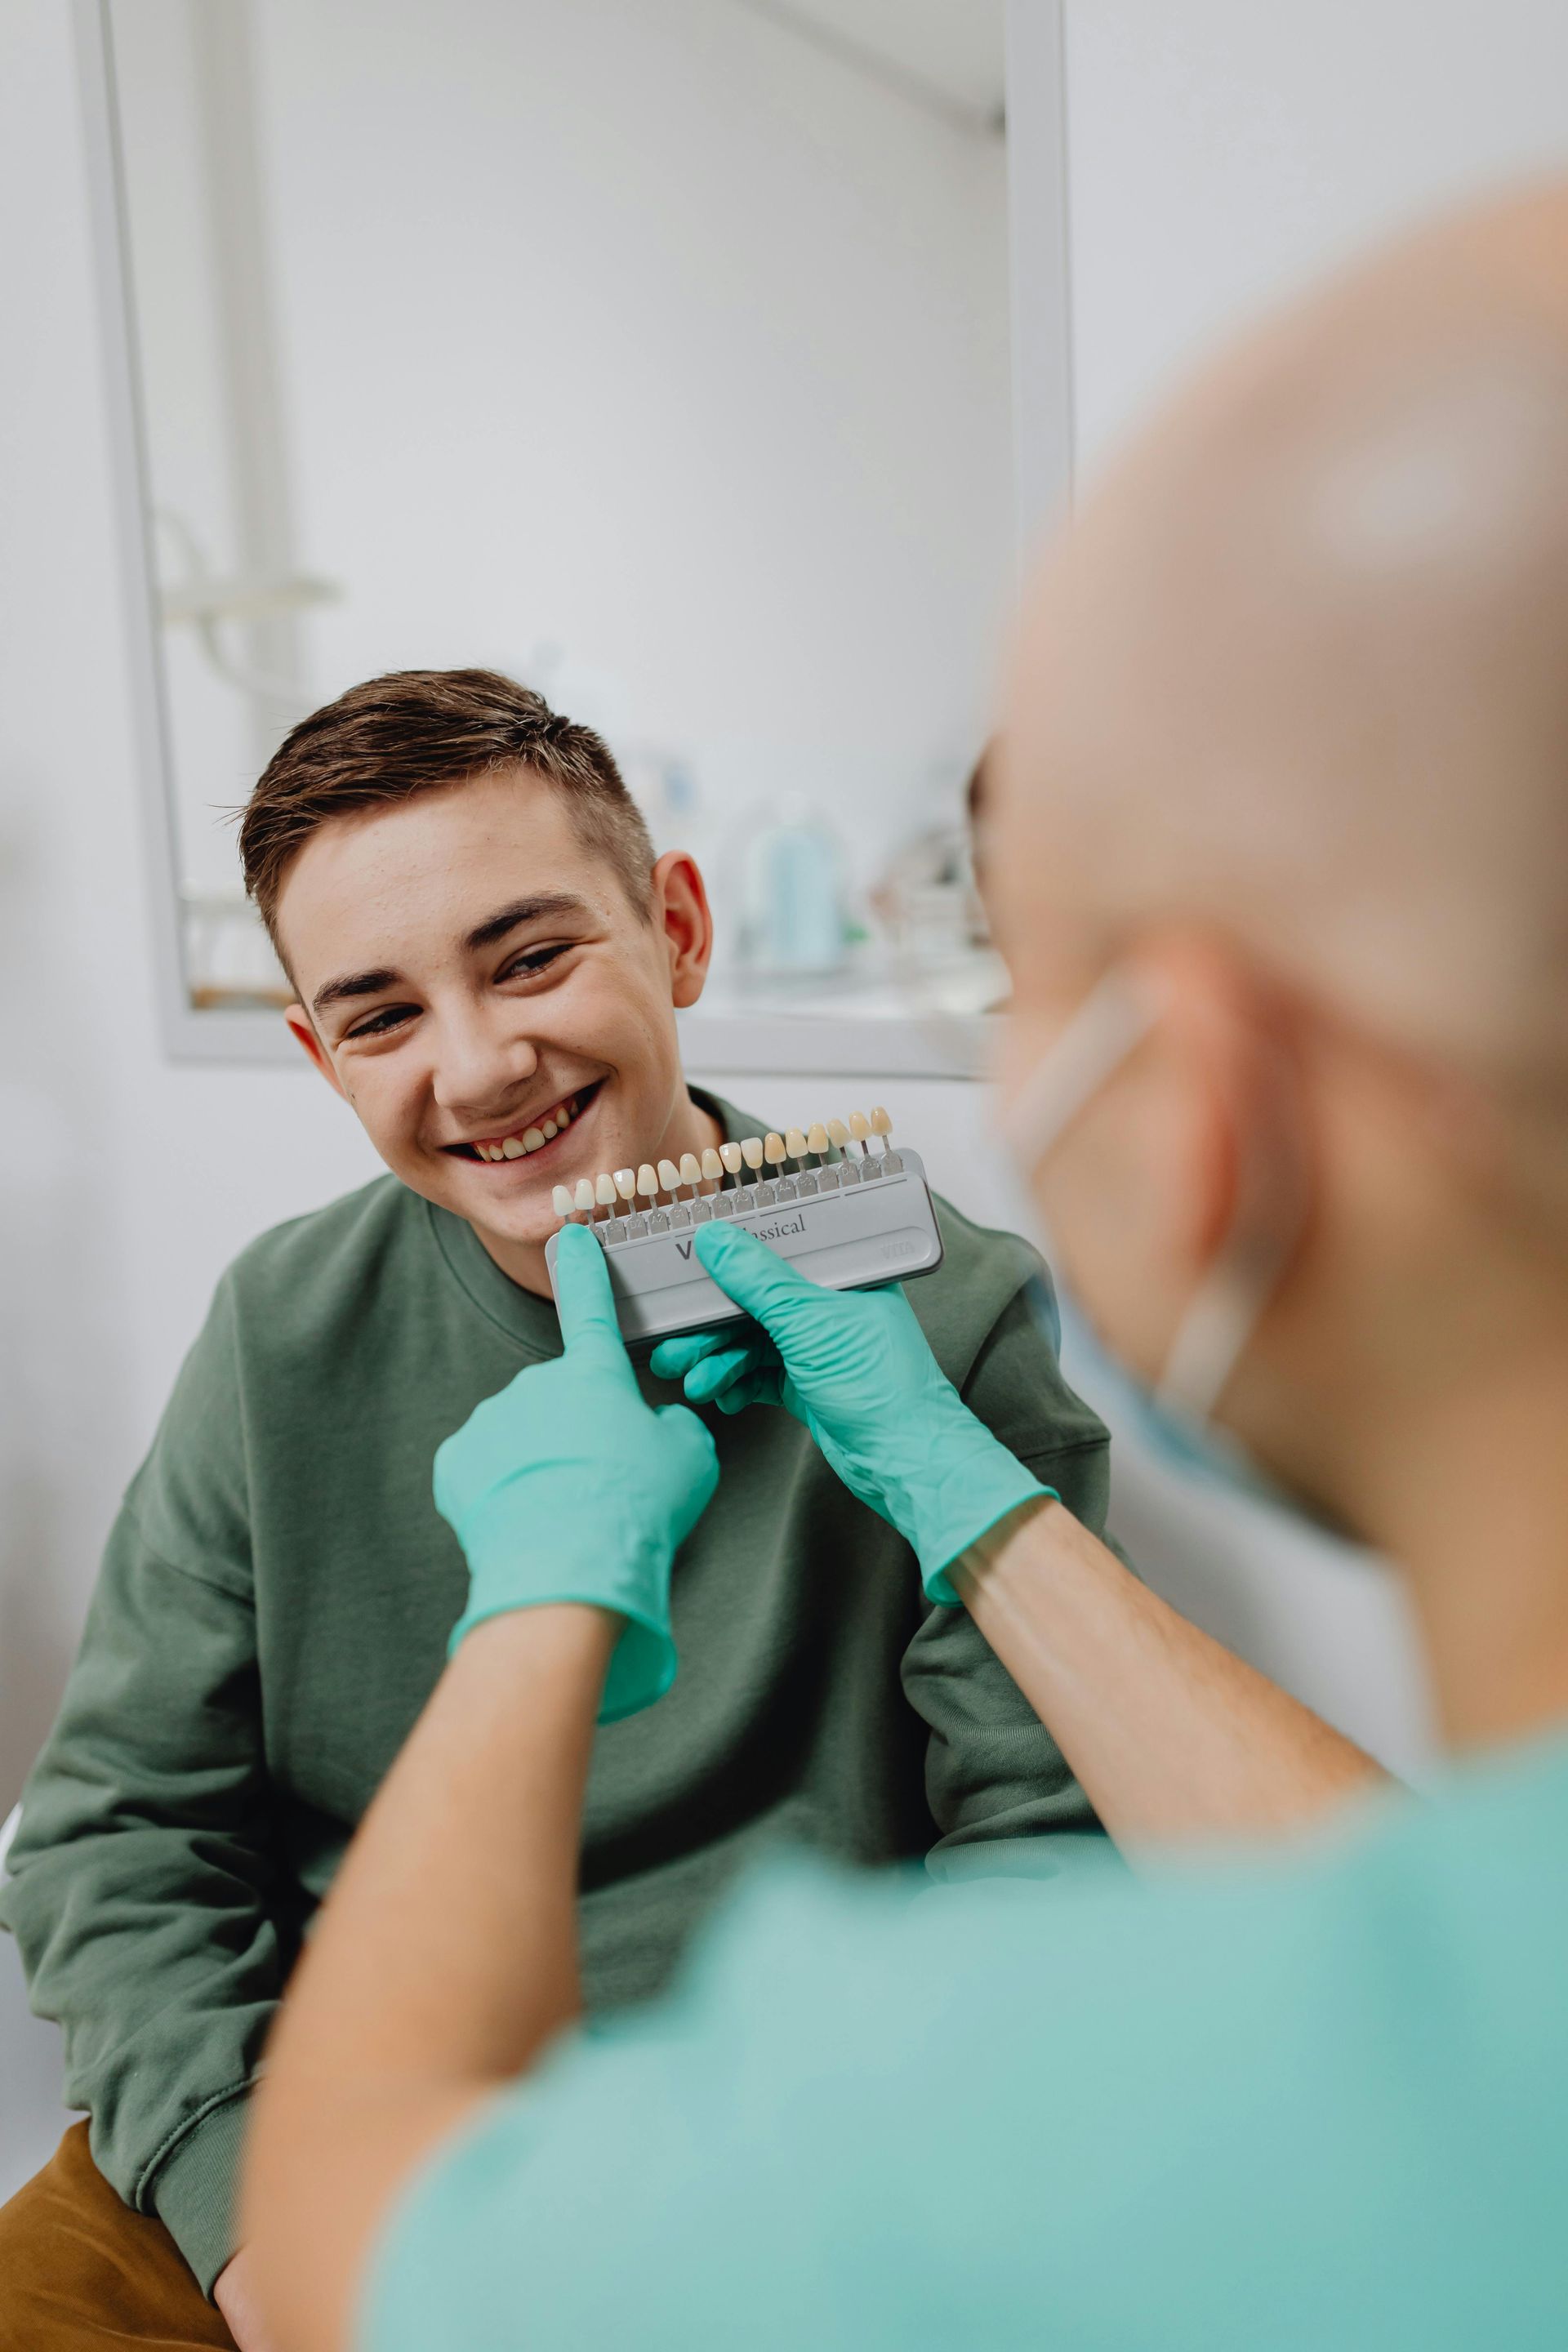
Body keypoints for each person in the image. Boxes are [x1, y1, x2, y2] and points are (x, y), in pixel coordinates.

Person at [237, 181, 1568, 2350]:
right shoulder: (1446, 2034)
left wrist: (547, 1601)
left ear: (1206, 1120)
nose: (472, 1062)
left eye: (1018, 976)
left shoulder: (953, 2130)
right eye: (379, 1011)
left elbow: (373, 2236)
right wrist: (980, 1509)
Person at [0, 671, 1367, 2352]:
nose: (482, 1063)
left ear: (678, 931)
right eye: (380, 1013)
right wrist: (243, 2220)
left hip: (789, 2135)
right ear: (315, 1051)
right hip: (328, 2115)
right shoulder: (281, 1328)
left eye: (532, 956)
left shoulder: (935, 1308)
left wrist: (782, 2171)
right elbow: (112, 1833)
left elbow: (1051, 1836)